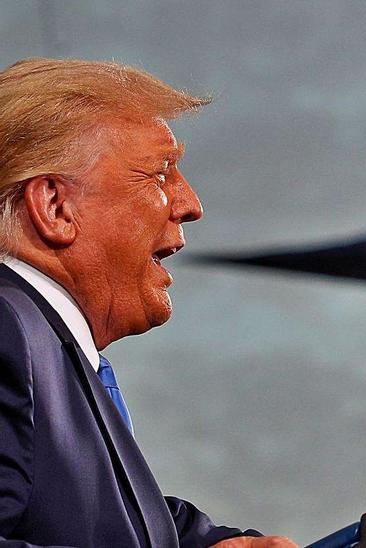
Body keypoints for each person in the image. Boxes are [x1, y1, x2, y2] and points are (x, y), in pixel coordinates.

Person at [0, 58, 296, 547]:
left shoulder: (45, 344)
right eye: (161, 174)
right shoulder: (10, 329)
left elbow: (103, 517)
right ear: (55, 207)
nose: (191, 203)